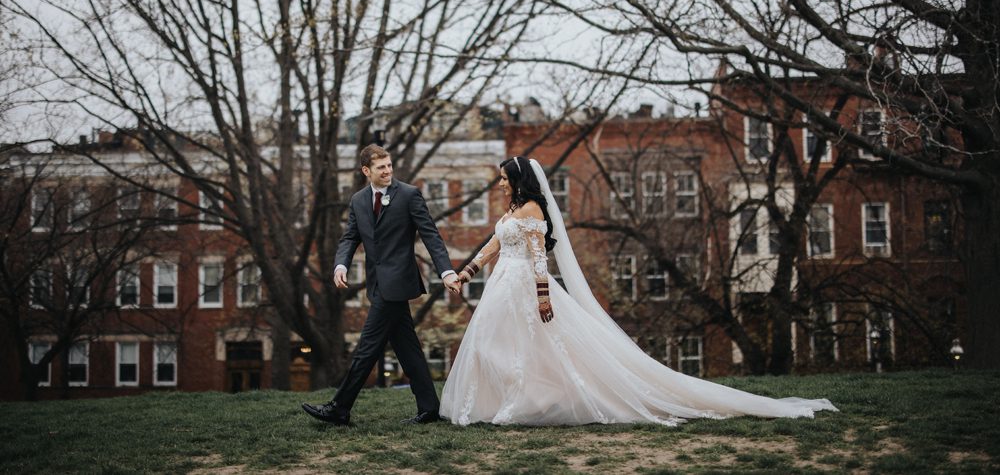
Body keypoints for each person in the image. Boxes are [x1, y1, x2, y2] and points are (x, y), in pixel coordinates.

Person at [439, 156, 838, 426]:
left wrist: (544, 296)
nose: (501, 183)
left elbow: (540, 258)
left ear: (518, 180)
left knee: (530, 348)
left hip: (525, 287)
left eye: (505, 178)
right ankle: (506, 400)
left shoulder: (531, 212)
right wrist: (466, 272)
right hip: (500, 287)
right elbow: (494, 246)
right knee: (495, 344)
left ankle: (528, 402)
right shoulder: (510, 212)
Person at [302, 144, 461, 425]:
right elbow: (350, 237)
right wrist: (341, 264)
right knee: (407, 348)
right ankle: (430, 408)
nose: (387, 171)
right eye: (381, 167)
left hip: (399, 281)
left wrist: (446, 271)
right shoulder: (358, 200)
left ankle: (339, 407)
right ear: (367, 171)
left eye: (389, 165)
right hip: (378, 284)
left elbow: (431, 235)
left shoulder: (409, 195)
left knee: (367, 347)